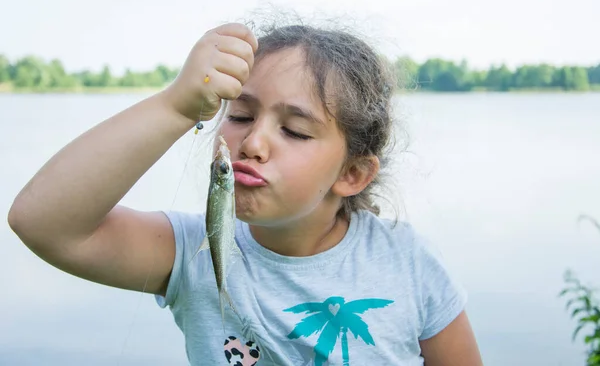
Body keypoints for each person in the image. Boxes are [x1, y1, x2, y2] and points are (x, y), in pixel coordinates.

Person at [8, 21, 483, 365]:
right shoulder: (189, 254)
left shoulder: (407, 261)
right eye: (239, 117)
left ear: (353, 174)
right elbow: (43, 222)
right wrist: (176, 105)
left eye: (295, 130)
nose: (252, 143)